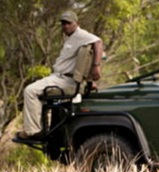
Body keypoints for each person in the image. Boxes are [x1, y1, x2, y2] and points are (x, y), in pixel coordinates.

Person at [17, 10, 103, 140]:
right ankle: (41, 128)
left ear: (76, 23)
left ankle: (32, 132)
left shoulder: (80, 35)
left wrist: (96, 66)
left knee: (30, 91)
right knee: (36, 93)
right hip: (60, 78)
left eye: (68, 23)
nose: (65, 26)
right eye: (63, 23)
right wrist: (90, 79)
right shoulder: (72, 38)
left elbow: (98, 42)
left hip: (66, 81)